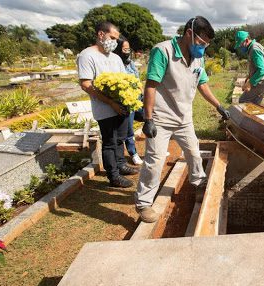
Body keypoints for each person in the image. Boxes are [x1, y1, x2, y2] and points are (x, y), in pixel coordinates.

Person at [135, 16, 230, 223]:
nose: (203, 48)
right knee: (155, 161)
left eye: (206, 44)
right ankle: (143, 203)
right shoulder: (163, 51)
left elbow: (202, 84)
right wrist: (148, 119)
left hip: (184, 117)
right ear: (189, 33)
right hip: (161, 117)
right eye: (201, 42)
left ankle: (198, 185)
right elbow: (150, 85)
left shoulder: (198, 58)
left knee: (194, 153)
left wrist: (219, 106)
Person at [77, 22, 139, 188]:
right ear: (100, 34)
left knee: (120, 139)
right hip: (105, 109)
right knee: (110, 142)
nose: (115, 42)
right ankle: (113, 176)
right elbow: (86, 84)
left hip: (122, 106)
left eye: (117, 39)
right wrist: (111, 102)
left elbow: (125, 81)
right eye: (112, 37)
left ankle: (120, 164)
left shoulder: (115, 57)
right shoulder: (87, 55)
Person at [113, 37, 143, 165]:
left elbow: (137, 80)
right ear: (118, 50)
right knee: (129, 129)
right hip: (127, 102)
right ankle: (133, 153)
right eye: (124, 49)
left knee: (151, 116)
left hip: (138, 99)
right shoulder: (114, 65)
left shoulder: (130, 63)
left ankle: (155, 148)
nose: (127, 51)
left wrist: (142, 93)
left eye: (128, 49)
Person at [234, 30, 264, 105]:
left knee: (243, 100)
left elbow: (261, 70)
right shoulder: (253, 48)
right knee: (255, 103)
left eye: (241, 45)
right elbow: (256, 67)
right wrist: (249, 77)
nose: (240, 47)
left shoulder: (254, 49)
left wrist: (250, 83)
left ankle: (249, 116)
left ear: (246, 40)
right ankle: (254, 115)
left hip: (261, 81)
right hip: (261, 80)